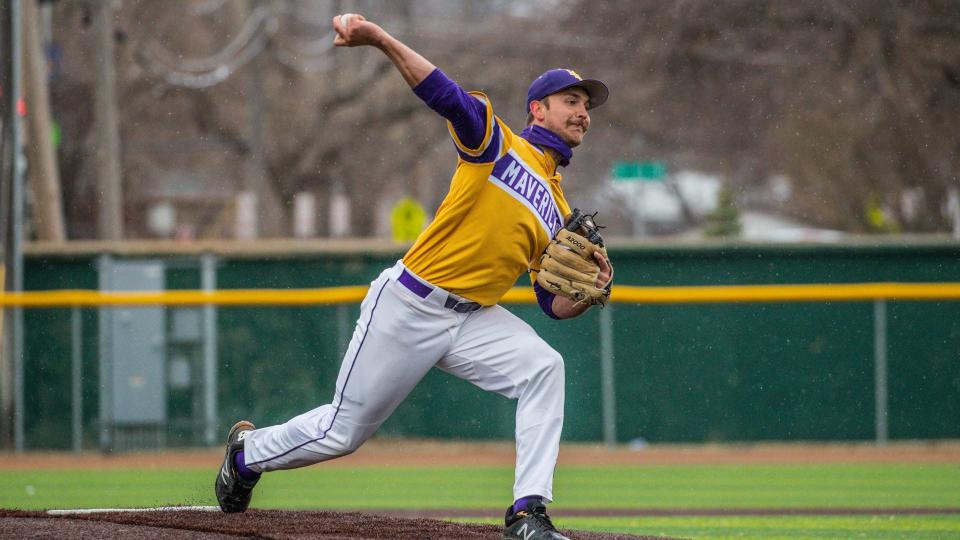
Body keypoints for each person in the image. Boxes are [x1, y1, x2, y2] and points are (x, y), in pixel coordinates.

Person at [215, 12, 612, 540]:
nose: (582, 112)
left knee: (545, 368)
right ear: (537, 108)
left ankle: (528, 513)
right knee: (342, 432)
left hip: (474, 318)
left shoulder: (559, 209)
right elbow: (445, 95)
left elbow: (550, 302)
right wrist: (380, 39)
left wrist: (592, 293)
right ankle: (247, 456)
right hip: (410, 303)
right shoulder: (499, 147)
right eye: (571, 100)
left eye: (586, 105)